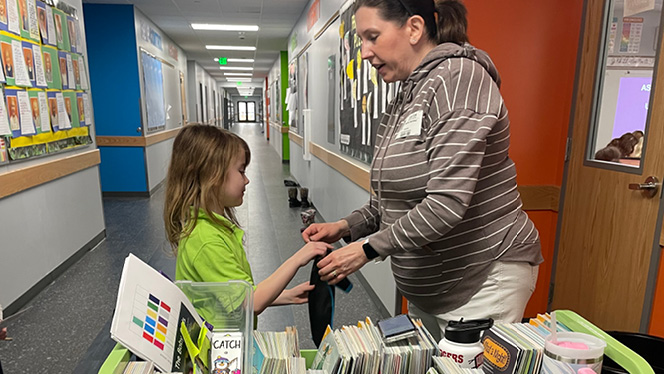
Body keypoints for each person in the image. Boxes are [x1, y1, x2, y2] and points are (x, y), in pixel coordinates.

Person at [302, 0, 542, 340]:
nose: (366, 53)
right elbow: (395, 195)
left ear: (414, 28)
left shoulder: (459, 79)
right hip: (430, 284)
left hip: (480, 277)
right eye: (362, 41)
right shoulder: (409, 91)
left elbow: (446, 203)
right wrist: (345, 227)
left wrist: (367, 249)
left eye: (373, 36)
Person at [164, 125, 332, 318]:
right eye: (241, 171)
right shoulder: (206, 240)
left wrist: (287, 296)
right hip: (217, 345)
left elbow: (228, 297)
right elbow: (249, 303)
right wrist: (297, 259)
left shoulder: (213, 228)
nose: (246, 180)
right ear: (212, 175)